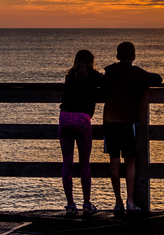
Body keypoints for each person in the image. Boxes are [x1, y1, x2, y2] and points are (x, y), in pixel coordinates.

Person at [102, 42, 162, 214]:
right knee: (130, 161)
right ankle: (130, 201)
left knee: (114, 161)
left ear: (117, 56)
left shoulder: (109, 73)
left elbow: (103, 90)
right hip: (127, 122)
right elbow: (157, 79)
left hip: (110, 122)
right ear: (133, 56)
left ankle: (118, 202)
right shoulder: (136, 73)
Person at [59, 49, 102, 217]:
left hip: (64, 118)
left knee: (67, 163)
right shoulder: (92, 75)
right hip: (82, 120)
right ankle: (86, 204)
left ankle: (70, 204)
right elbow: (104, 82)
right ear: (91, 62)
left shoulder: (69, 76)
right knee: (84, 162)